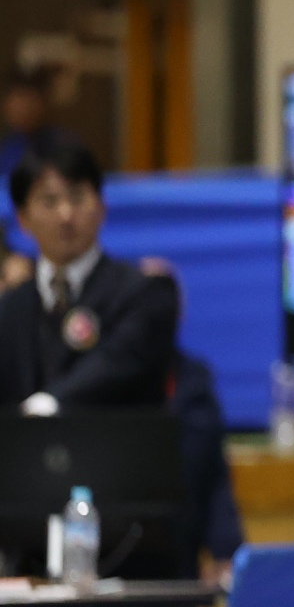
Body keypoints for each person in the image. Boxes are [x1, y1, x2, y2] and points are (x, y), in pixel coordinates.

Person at [0, 136, 181, 414]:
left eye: (77, 197)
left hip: (118, 441)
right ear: (23, 219)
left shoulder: (145, 291)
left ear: (101, 207)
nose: (65, 214)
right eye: (49, 201)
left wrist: (48, 404)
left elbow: (119, 361)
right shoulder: (10, 308)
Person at [0, 67, 62, 286]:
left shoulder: (62, 148)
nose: (21, 106)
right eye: (15, 98)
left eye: (27, 98)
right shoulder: (6, 151)